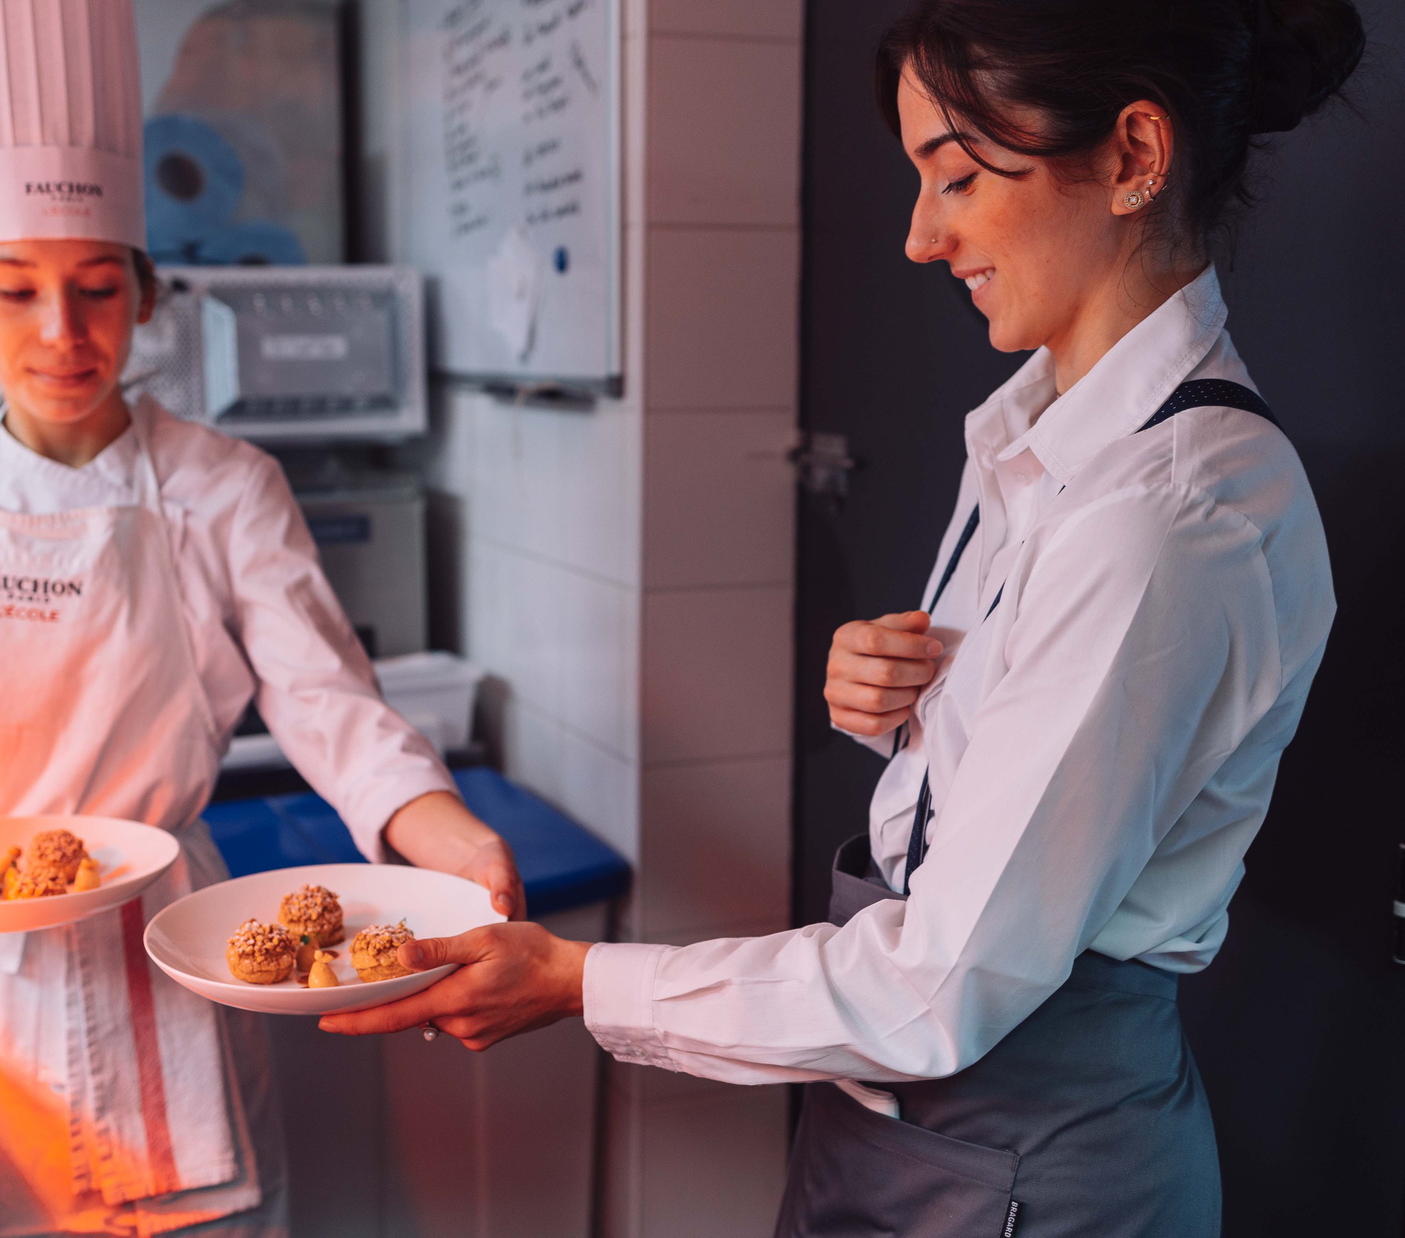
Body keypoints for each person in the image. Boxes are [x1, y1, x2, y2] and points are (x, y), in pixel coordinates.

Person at [318, 0, 1364, 1233]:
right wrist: (905, 708)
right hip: (883, 1114)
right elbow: (1038, 792)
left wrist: (579, 983)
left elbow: (941, 985)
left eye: (959, 177)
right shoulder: (1035, 434)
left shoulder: (1167, 516)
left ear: (1135, 155)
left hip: (1021, 1156)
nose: (922, 237)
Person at [0, 1, 522, 1234]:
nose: (62, 333)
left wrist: (442, 830)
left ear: (144, 294)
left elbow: (327, 700)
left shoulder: (221, 481)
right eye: (16, 289)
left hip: (163, 944)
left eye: (96, 289)